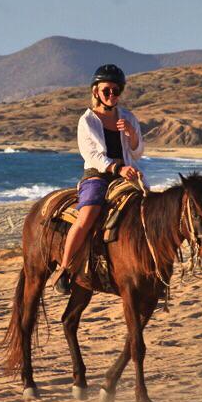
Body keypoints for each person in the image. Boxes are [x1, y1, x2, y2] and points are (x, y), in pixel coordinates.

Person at [49, 64, 145, 295]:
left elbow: (137, 152)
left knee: (150, 210)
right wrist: (116, 169)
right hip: (98, 175)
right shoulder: (87, 120)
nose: (112, 94)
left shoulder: (128, 118)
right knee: (88, 215)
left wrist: (131, 135)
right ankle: (64, 268)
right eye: (106, 90)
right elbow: (91, 155)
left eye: (116, 90)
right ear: (96, 92)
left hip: (126, 173)